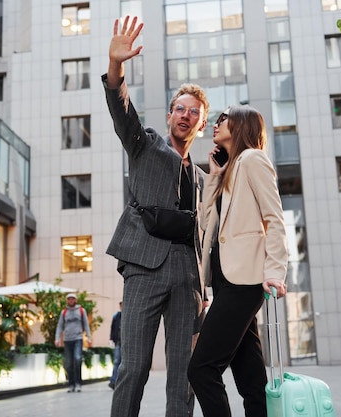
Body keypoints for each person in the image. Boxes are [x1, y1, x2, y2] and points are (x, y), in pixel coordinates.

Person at [103, 15, 209, 417]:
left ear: (201, 123)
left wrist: (204, 289)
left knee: (184, 375)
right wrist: (116, 66)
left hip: (188, 277)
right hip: (144, 267)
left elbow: (205, 236)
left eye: (193, 112)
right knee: (133, 366)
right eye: (179, 109)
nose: (185, 115)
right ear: (169, 117)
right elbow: (121, 107)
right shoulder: (144, 145)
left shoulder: (202, 178)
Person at [187, 105, 289, 417]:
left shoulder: (253, 159)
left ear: (242, 125)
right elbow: (207, 225)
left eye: (223, 119)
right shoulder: (230, 169)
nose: (216, 125)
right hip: (226, 280)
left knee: (201, 369)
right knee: (250, 378)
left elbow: (274, 218)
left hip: (244, 282)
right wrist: (215, 177)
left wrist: (275, 271)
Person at [55, 293, 91, 393]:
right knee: (69, 363)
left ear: (75, 300)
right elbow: (59, 326)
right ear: (67, 300)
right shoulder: (64, 312)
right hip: (67, 339)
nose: (71, 301)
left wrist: (89, 337)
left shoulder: (81, 311)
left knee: (77, 359)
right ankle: (71, 384)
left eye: (72, 299)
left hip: (78, 338)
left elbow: (86, 325)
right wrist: (57, 338)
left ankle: (78, 383)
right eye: (69, 299)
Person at [109, 301, 122, 389]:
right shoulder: (116, 316)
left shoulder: (130, 315)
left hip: (126, 343)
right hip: (118, 342)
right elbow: (113, 328)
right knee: (117, 361)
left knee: (123, 362)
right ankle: (113, 381)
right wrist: (111, 339)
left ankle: (121, 381)